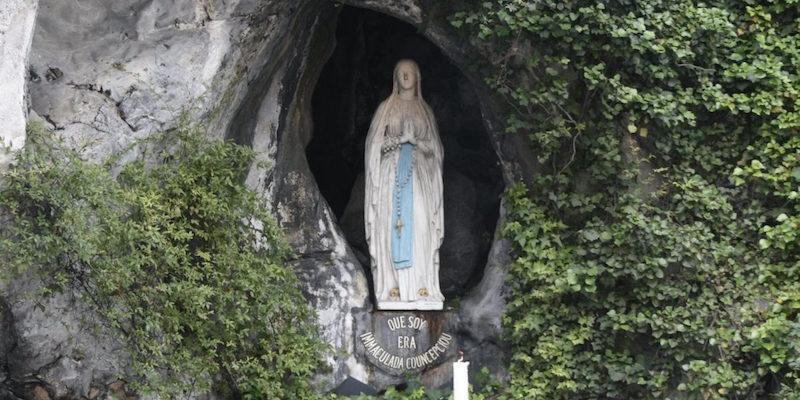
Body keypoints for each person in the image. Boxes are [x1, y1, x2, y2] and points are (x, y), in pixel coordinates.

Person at [364, 59, 444, 310]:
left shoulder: (425, 111)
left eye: (410, 72)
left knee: (420, 225)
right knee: (390, 225)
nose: (406, 76)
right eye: (401, 73)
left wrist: (415, 141)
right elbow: (373, 146)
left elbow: (437, 150)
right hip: (391, 177)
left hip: (419, 176)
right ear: (395, 78)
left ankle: (422, 286)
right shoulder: (386, 109)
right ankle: (393, 287)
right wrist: (398, 141)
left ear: (418, 77)